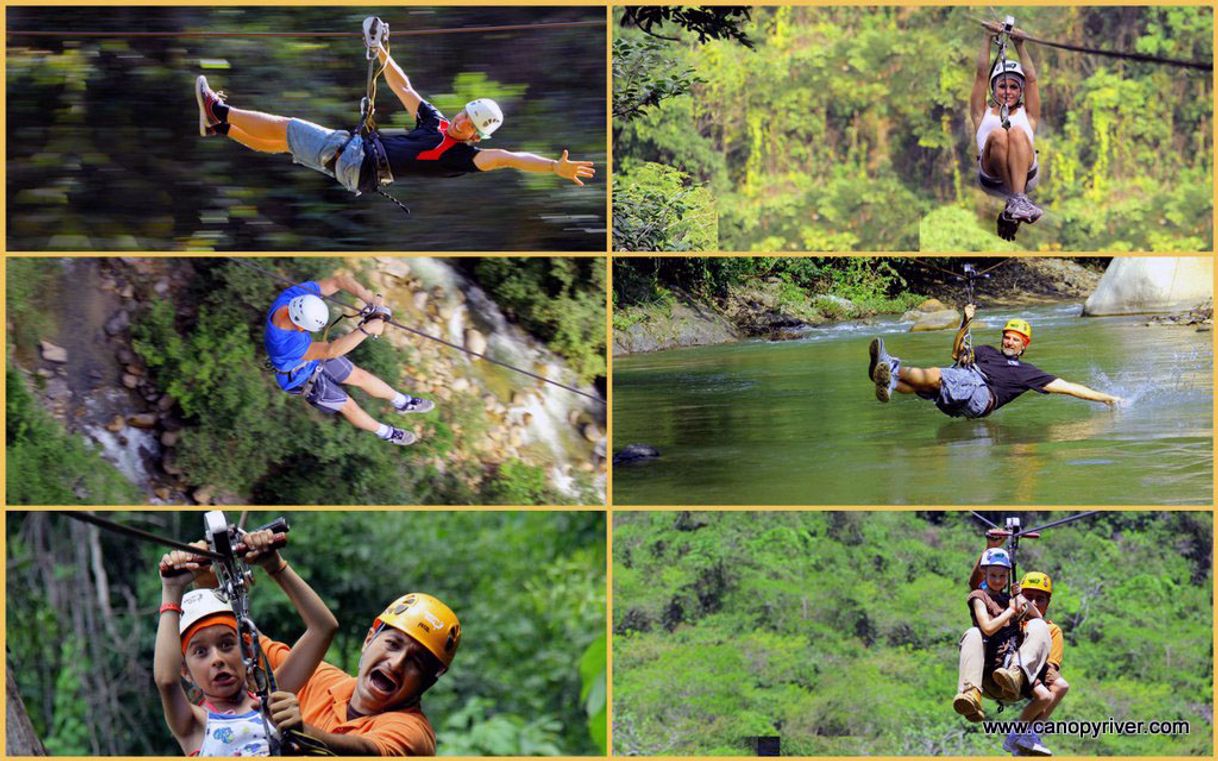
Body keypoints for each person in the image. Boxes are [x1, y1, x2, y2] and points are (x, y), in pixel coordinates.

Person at [194, 18, 594, 201]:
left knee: (286, 126)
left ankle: (220, 110)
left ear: (476, 136)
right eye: (463, 114)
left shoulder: (464, 157)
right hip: (357, 171)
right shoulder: (435, 120)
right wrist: (379, 49)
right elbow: (402, 85)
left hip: (358, 159)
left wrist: (553, 168)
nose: (460, 122)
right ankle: (219, 128)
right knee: (283, 144)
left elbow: (510, 158)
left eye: (469, 124)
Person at [154, 529, 339, 756]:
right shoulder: (194, 724)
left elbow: (323, 628)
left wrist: (275, 566)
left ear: (247, 649)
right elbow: (166, 680)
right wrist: (171, 591)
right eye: (201, 652)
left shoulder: (271, 699)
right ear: (185, 672)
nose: (218, 660)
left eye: (226, 644)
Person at [261, 593, 461, 755]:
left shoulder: (412, 733)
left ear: (427, 682)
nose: (396, 664)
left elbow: (366, 751)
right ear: (369, 639)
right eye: (393, 644)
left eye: (416, 662)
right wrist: (271, 565)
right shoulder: (318, 679)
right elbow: (243, 639)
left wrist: (304, 732)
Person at [265, 272, 434, 446]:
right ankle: (387, 433)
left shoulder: (293, 297)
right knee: (348, 405)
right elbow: (331, 350)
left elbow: (339, 280)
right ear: (300, 324)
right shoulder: (285, 343)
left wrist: (370, 299)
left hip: (310, 355)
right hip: (297, 378)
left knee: (359, 376)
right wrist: (368, 328)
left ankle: (403, 402)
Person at [867, 304, 1123, 417]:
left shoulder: (1027, 372)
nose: (1009, 342)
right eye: (1007, 338)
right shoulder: (987, 351)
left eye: (1015, 340)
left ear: (1024, 346)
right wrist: (965, 322)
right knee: (922, 386)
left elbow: (1068, 387)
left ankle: (890, 366)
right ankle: (888, 383)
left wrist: (1106, 398)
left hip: (981, 393)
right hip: (966, 398)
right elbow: (957, 355)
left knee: (937, 374)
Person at [953, 548, 1055, 756]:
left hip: (1010, 679)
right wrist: (1010, 610)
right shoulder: (979, 597)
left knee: (1039, 626)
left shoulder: (1011, 599)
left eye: (1002, 576)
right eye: (993, 576)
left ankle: (1018, 674)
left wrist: (1021, 600)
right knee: (973, 633)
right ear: (985, 574)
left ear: (1007, 576)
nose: (998, 580)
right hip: (989, 674)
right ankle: (971, 693)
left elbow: (1038, 619)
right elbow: (988, 627)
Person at [970, 22, 1041, 241]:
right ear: (994, 89)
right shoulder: (982, 114)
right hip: (993, 173)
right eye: (1002, 86)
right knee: (1000, 134)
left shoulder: (1027, 115)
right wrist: (987, 38)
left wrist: (1020, 45)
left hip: (1025, 173)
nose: (1008, 92)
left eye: (1013, 87)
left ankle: (1016, 201)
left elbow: (1031, 79)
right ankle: (1016, 201)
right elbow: (981, 74)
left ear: (1020, 91)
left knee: (1017, 133)